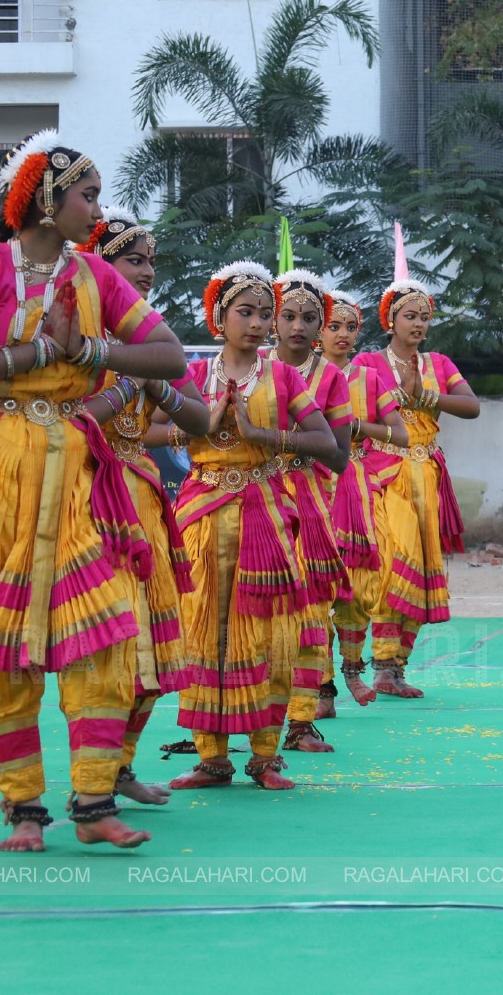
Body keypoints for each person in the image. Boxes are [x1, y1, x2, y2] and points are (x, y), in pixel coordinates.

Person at [0, 130, 189, 850]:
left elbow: (168, 357)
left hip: (72, 467)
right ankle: (24, 813)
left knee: (103, 639)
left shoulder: (98, 280)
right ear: (45, 198)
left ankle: (94, 804)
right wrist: (40, 351)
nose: (96, 211)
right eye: (88, 196)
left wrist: (91, 352)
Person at [165, 262, 342, 792]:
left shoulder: (283, 377)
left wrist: (261, 433)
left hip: (266, 510)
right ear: (218, 317)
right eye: (247, 312)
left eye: (266, 313)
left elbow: (329, 447)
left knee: (267, 635)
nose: (259, 322)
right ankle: (212, 758)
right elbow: (151, 431)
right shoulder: (194, 376)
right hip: (200, 514)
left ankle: (265, 758)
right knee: (203, 633)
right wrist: (201, 423)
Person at [75, 211, 212, 806]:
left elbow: (199, 422)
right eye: (136, 260)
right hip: (91, 499)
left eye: (152, 260)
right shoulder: (78, 338)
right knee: (116, 653)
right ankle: (89, 784)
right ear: (102, 266)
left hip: (146, 502)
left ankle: (121, 767)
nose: (149, 271)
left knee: (154, 657)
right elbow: (77, 422)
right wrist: (135, 380)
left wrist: (157, 384)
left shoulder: (151, 341)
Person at [353, 279, 479, 698]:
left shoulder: (439, 364)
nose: (419, 324)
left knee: (425, 573)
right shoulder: (368, 363)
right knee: (393, 567)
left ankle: (396, 667)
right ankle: (381, 665)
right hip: (385, 475)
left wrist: (423, 394)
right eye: (410, 316)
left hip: (428, 476)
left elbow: (471, 406)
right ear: (390, 320)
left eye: (425, 317)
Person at [270, 269, 355, 752]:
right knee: (254, 617)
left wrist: (282, 440)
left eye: (309, 318)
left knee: (307, 613)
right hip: (253, 502)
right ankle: (243, 725)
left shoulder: (332, 379)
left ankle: (301, 721)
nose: (298, 326)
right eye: (288, 316)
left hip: (309, 507)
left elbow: (339, 456)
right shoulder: (251, 368)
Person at [320, 289, 409, 707]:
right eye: (333, 326)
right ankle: (320, 688)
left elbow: (400, 434)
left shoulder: (368, 379)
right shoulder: (297, 375)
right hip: (308, 483)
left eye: (351, 327)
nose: (343, 334)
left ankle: (353, 672)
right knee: (313, 590)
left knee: (355, 588)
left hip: (354, 487)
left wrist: (358, 426)